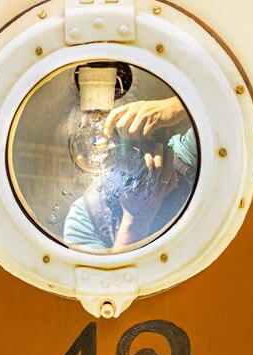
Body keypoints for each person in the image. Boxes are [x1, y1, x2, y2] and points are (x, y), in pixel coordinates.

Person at [64, 96, 198, 252]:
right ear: (86, 163)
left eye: (125, 140)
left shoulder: (188, 153)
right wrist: (135, 221)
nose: (122, 152)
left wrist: (178, 105)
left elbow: (222, 103)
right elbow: (106, 275)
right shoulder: (86, 216)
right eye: (95, 142)